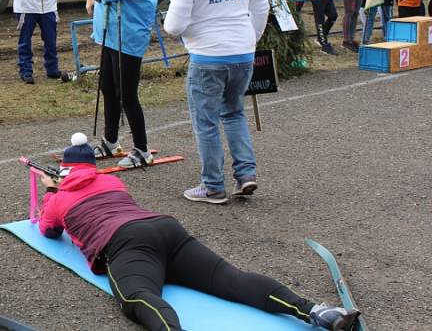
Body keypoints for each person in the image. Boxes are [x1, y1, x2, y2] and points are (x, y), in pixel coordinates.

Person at [37, 133, 361, 331]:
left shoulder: (59, 198)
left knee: (138, 299)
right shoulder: (112, 180)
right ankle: (316, 311)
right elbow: (87, 185)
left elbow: (50, 231)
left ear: (63, 172)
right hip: (166, 230)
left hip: (124, 244)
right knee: (234, 280)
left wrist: (51, 192)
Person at [164, 0, 269, 204]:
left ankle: (212, 186)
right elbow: (261, 7)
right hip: (242, 54)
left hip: (208, 58)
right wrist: (250, 38)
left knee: (206, 122)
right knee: (234, 113)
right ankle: (246, 174)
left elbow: (173, 26)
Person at [86, 0, 167, 168]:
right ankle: (111, 141)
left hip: (128, 39)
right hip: (112, 37)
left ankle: (142, 149)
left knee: (127, 95)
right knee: (108, 88)